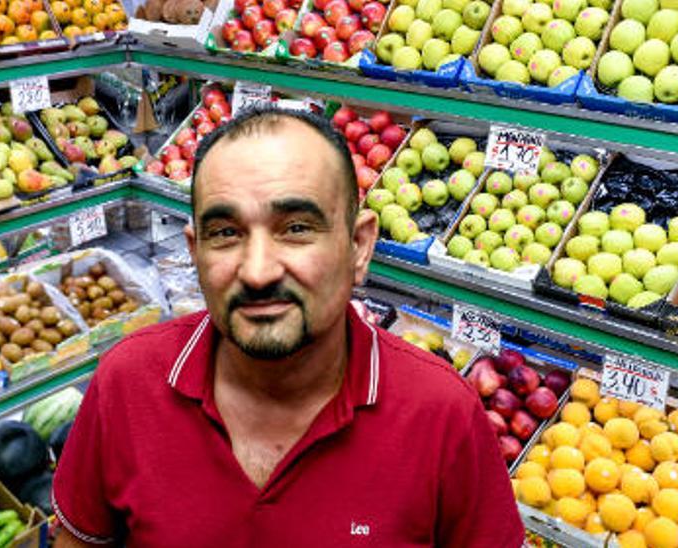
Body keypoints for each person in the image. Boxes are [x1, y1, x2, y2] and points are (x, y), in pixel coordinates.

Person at [51, 105, 523, 547]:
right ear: (195, 254)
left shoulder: (442, 415)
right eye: (226, 234)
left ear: (359, 246)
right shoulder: (127, 383)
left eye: (296, 228)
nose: (257, 272)